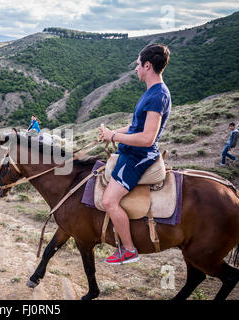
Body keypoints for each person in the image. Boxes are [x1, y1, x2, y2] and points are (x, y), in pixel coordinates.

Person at [98, 43, 171, 265]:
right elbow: (134, 127)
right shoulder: (152, 92)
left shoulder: (158, 96)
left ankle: (129, 250)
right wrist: (109, 133)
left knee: (109, 201)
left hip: (139, 156)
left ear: (148, 65)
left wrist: (113, 137)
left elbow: (147, 138)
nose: (136, 69)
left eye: (138, 65)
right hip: (132, 151)